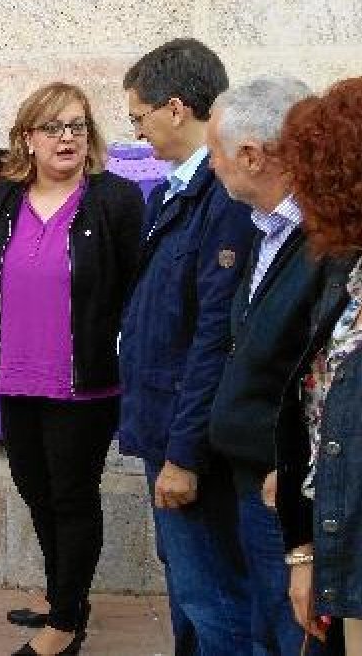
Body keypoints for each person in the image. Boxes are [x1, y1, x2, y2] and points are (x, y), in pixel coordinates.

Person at [0, 81, 144, 656]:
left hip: (83, 382)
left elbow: (139, 290)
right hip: (16, 374)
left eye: (77, 125)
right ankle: (62, 596)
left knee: (72, 496)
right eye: (52, 127)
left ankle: (66, 626)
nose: (66, 137)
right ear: (28, 138)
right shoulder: (5, 197)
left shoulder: (116, 200)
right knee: (36, 490)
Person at [117, 38, 256, 655]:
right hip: (164, 423)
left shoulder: (224, 197)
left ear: (175, 108)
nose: (137, 132)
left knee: (212, 595)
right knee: (187, 588)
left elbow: (214, 337)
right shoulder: (170, 193)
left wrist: (184, 454)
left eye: (139, 117)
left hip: (188, 436)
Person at [204, 75, 327, 656]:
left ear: (251, 155)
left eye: (216, 152)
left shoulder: (325, 241)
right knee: (264, 629)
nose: (211, 166)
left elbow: (319, 368)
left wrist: (291, 462)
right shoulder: (266, 229)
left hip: (285, 481)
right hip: (251, 470)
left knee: (291, 633)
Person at [276, 75, 362, 656]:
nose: (300, 192)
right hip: (341, 553)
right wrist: (306, 552)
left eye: (313, 177)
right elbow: (320, 421)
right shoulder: (352, 272)